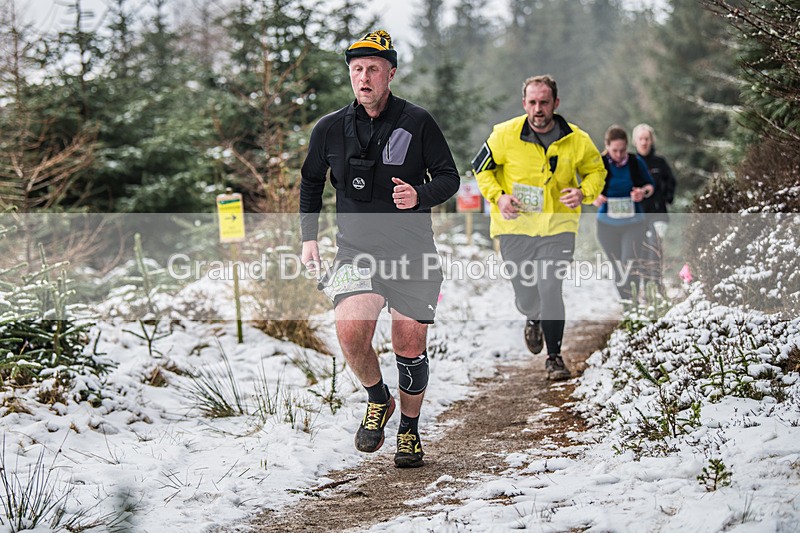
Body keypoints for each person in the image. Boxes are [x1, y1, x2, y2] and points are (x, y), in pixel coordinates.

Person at [299, 30, 459, 468]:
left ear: (390, 73)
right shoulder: (329, 128)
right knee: (350, 331)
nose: (363, 77)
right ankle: (377, 397)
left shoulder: (418, 121)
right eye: (356, 69)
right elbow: (311, 180)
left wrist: (420, 195)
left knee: (408, 343)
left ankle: (409, 430)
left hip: (412, 254)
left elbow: (449, 176)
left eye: (372, 69)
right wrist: (308, 236)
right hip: (355, 253)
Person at [472, 75, 606, 380]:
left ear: (556, 104)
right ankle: (532, 316)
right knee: (527, 293)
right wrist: (499, 197)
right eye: (532, 102)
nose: (538, 109)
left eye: (544, 102)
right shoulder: (503, 135)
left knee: (549, 286)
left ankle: (555, 357)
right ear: (524, 104)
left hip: (558, 226)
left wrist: (583, 192)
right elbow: (481, 169)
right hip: (514, 227)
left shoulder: (577, 139)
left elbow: (597, 171)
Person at [593, 125, 655, 303]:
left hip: (633, 223)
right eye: (614, 151)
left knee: (631, 263)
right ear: (607, 147)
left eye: (622, 150)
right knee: (619, 267)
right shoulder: (600, 163)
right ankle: (627, 304)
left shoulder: (635, 162)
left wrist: (642, 192)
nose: (619, 155)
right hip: (606, 225)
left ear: (627, 146)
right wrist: (594, 197)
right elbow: (587, 190)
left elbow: (650, 186)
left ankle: (633, 302)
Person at [632, 123, 677, 290]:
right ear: (635, 141)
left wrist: (665, 198)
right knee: (640, 251)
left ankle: (656, 287)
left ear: (651, 141)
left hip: (658, 215)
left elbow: (671, 182)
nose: (644, 142)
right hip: (637, 216)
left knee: (654, 248)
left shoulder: (660, 162)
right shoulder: (631, 163)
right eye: (641, 139)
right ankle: (643, 289)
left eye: (647, 139)